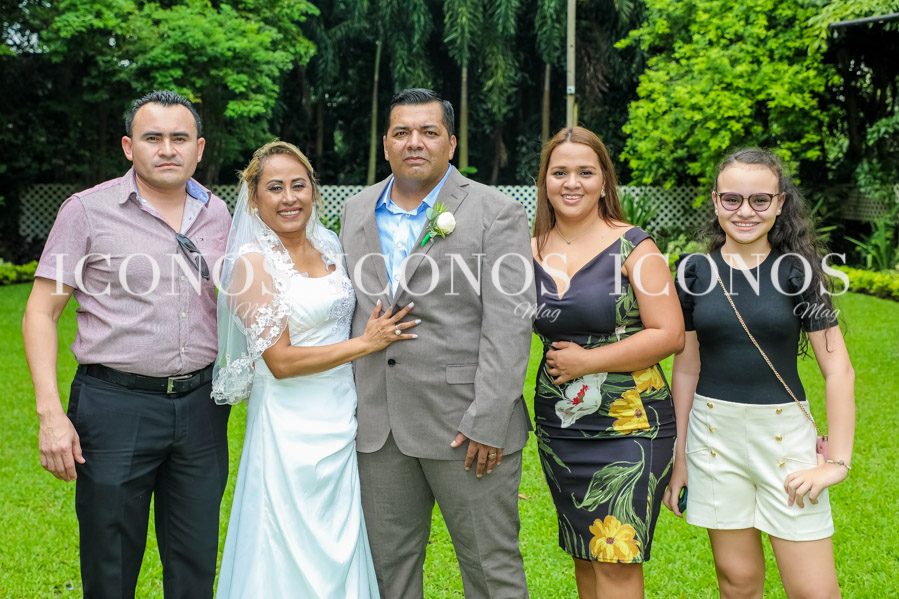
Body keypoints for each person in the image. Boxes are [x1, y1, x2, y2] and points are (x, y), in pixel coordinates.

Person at [22, 90, 232, 599]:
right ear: (127, 146)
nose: (167, 149)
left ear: (199, 148)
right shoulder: (87, 212)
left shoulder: (220, 214)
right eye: (152, 137)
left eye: (179, 138)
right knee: (110, 562)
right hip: (114, 407)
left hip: (202, 407)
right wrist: (51, 415)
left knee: (196, 559)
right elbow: (40, 312)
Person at [340, 88, 535, 599]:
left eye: (428, 132)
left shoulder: (497, 212)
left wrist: (489, 417)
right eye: (402, 132)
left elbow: (510, 324)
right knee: (390, 572)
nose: (414, 143)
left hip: (467, 427)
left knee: (490, 569)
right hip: (378, 427)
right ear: (385, 144)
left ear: (451, 142)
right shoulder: (357, 211)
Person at [211, 141, 418, 598]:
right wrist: (364, 343)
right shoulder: (250, 264)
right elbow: (280, 362)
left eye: (298, 185)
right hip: (288, 424)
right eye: (275, 188)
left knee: (339, 537)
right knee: (287, 542)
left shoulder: (329, 244)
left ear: (313, 191)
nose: (289, 198)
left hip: (341, 415)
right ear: (254, 198)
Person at [664, 147, 855, 598]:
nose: (745, 211)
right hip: (713, 440)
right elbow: (687, 368)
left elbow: (839, 370)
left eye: (760, 200)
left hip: (784, 442)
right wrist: (680, 458)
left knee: (814, 591)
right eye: (732, 199)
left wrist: (839, 463)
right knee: (738, 583)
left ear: (780, 203)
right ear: (715, 201)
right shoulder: (693, 271)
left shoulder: (799, 272)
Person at [530, 126, 684, 599]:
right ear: (545, 181)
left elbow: (670, 333)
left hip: (630, 424)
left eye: (584, 172)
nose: (571, 182)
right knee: (584, 552)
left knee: (616, 558)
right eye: (560, 172)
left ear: (603, 181)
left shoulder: (635, 248)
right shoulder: (528, 248)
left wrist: (588, 361)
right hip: (561, 425)